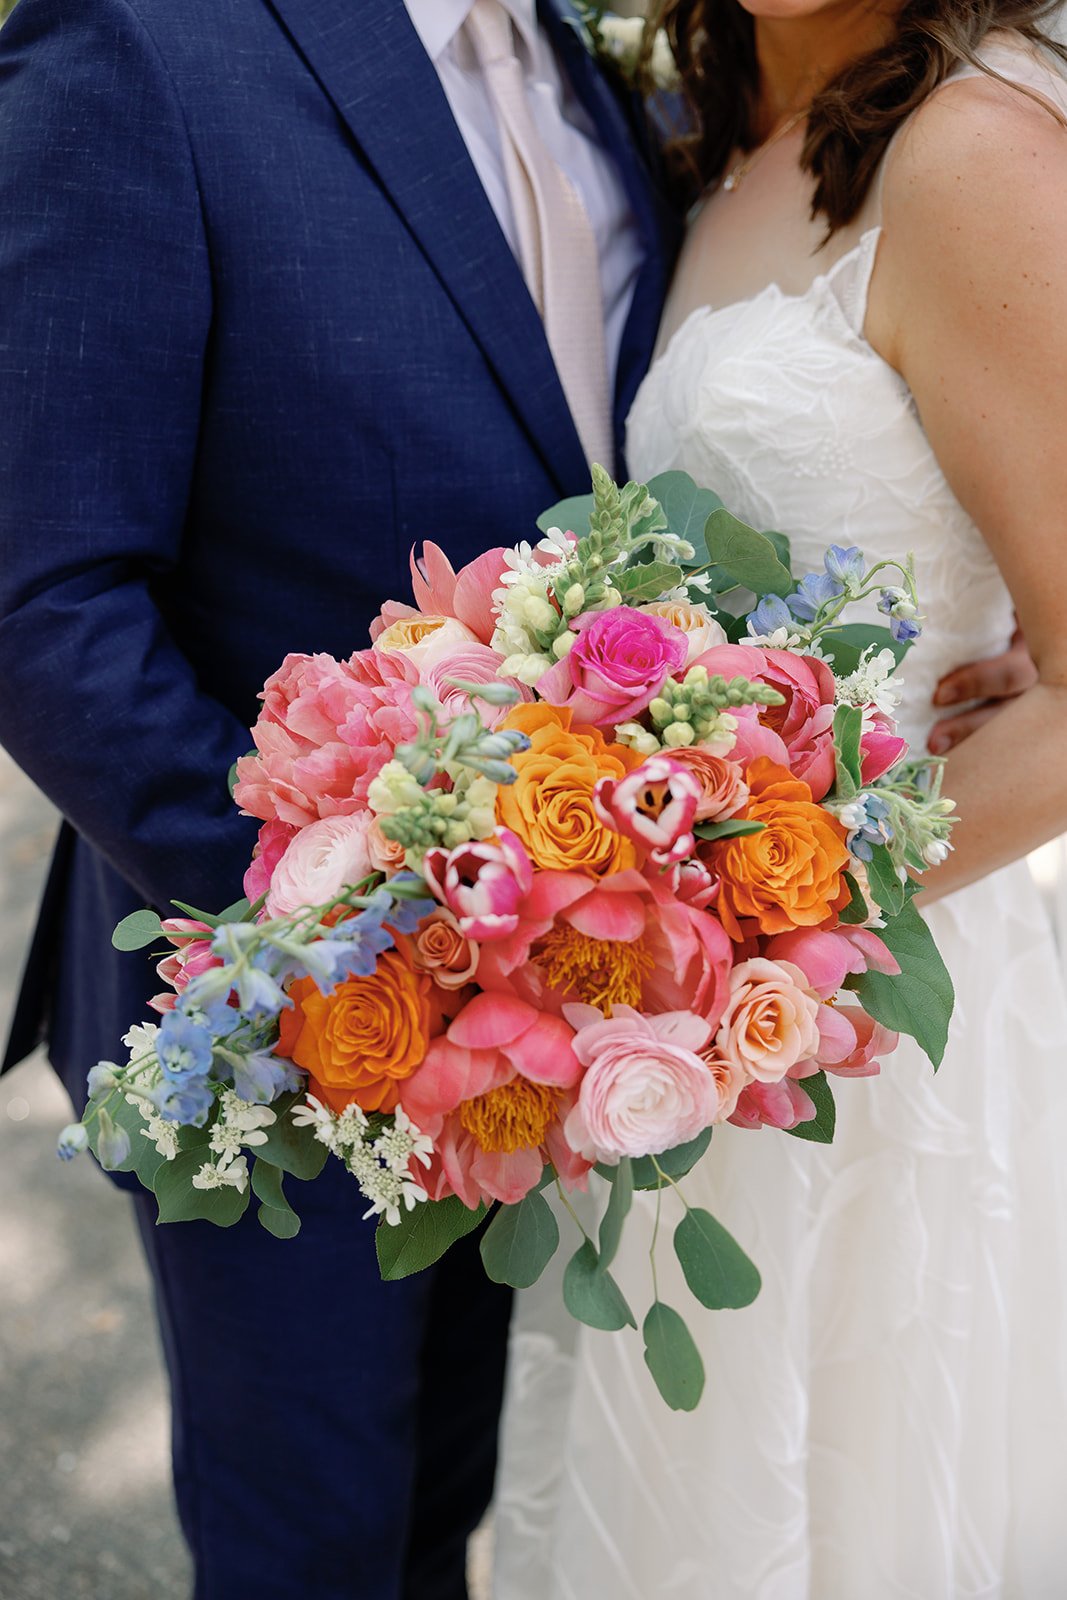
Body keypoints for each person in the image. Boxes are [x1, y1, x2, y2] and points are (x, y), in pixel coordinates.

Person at [0, 2, 676, 1595]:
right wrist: (350, 940)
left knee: (453, 1497)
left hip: (564, 1016)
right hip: (281, 1020)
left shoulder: (593, 69)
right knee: (311, 1549)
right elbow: (45, 597)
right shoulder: (139, 48)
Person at [491, 4, 1067, 1597]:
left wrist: (747, 917)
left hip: (859, 1015)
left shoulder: (975, 155)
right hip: (670, 1019)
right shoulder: (708, 120)